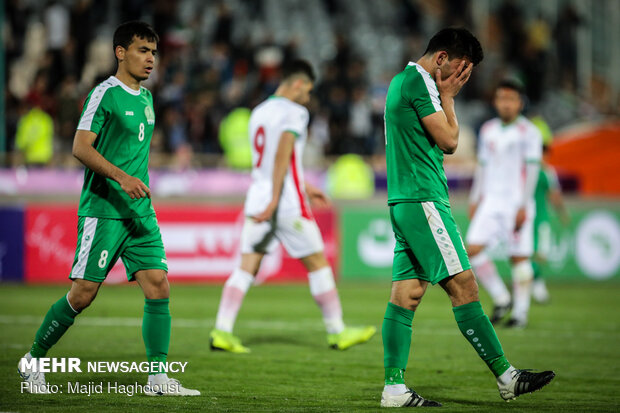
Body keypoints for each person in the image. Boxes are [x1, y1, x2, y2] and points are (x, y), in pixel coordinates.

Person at [17, 21, 199, 396]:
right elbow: (80, 147)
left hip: (140, 213)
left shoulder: (147, 98)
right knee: (83, 293)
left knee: (158, 286)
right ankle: (33, 361)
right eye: (142, 50)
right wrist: (122, 178)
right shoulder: (104, 94)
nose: (150, 59)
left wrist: (137, 184)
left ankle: (157, 379)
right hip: (104, 209)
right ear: (121, 52)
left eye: (153, 52)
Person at [381, 28, 554, 407]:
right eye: (461, 69)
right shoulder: (420, 82)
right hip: (423, 199)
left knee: (406, 296)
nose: (462, 79)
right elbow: (450, 141)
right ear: (441, 58)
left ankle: (394, 388)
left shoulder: (400, 81)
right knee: (466, 286)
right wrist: (448, 97)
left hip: (404, 201)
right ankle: (507, 376)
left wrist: (446, 97)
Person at [210, 60, 376, 353]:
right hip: (284, 203)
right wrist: (279, 197)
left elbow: (269, 160)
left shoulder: (258, 112)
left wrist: (304, 187)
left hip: (258, 197)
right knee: (318, 264)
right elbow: (283, 153)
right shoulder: (295, 112)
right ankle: (337, 332)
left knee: (247, 265)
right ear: (298, 84)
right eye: (308, 91)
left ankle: (221, 331)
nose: (309, 99)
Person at [467, 79, 542, 329]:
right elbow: (482, 166)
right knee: (473, 249)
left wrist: (524, 205)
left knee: (518, 257)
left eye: (511, 99)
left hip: (515, 202)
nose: (506, 104)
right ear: (495, 102)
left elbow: (532, 170)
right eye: (501, 99)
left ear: (520, 103)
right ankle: (502, 297)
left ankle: (520, 314)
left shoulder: (530, 132)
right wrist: (474, 198)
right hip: (490, 201)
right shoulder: (488, 129)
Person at [532, 144, 570, 303]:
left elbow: (554, 195)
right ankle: (536, 287)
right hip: (526, 219)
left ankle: (536, 285)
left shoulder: (548, 172)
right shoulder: (526, 170)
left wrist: (561, 212)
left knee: (540, 254)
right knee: (528, 253)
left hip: (541, 218)